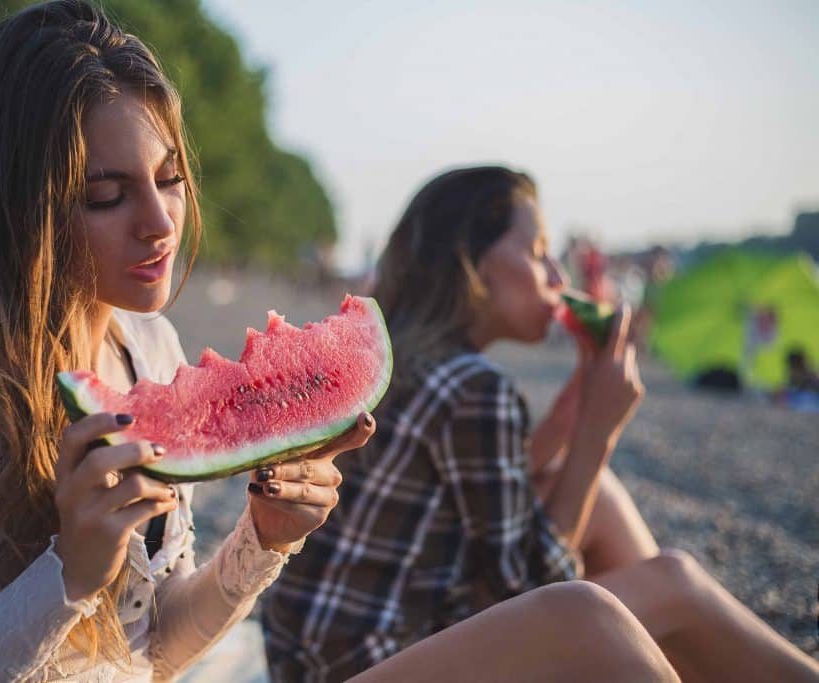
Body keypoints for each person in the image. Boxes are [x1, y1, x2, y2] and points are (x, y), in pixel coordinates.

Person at [0, 6, 681, 682]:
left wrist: (264, 538)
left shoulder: (150, 345)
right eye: (107, 195)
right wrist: (67, 574)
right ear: (21, 208)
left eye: (169, 178)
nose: (161, 221)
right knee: (589, 615)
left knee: (613, 612)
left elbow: (157, 649)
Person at [262, 166, 819, 683]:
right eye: (538, 253)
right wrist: (596, 435)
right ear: (474, 267)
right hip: (366, 663)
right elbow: (532, 593)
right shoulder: (472, 386)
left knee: (596, 497)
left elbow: (480, 499)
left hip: (313, 656)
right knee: (670, 583)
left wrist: (573, 415)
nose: (559, 275)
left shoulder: (399, 354)